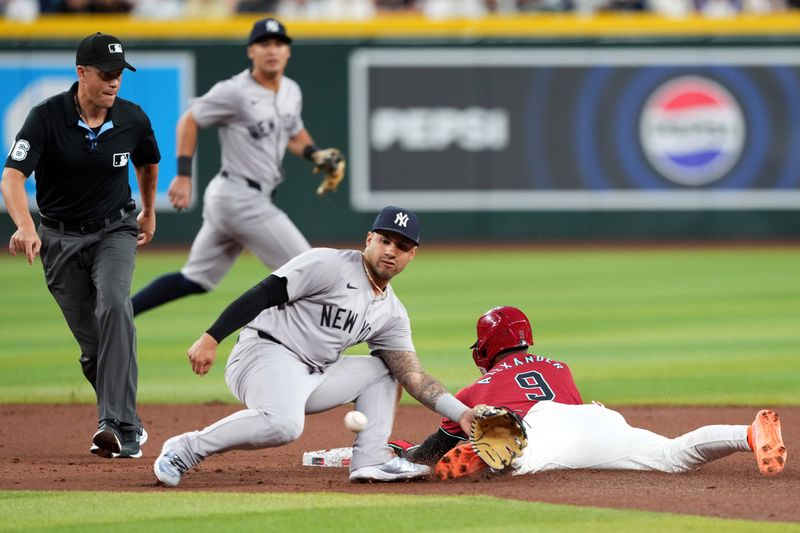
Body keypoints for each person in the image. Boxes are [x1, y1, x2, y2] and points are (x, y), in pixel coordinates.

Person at [152, 205, 477, 487]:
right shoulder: (329, 264)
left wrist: (462, 414)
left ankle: (371, 459)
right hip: (263, 353)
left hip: (314, 373)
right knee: (284, 425)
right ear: (369, 240)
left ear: (411, 255)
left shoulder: (391, 313)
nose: (391, 250)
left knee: (386, 370)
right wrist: (212, 337)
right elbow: (265, 292)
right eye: (385, 240)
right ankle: (184, 449)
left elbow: (413, 376)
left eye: (402, 245)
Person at [392, 306, 788, 480]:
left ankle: (494, 454)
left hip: (542, 427)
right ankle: (748, 434)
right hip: (596, 418)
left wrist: (408, 453)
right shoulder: (558, 366)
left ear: (486, 346)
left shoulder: (476, 388)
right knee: (671, 456)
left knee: (521, 462)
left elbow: (434, 451)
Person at [1, 32, 160, 458]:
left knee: (114, 304)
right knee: (94, 350)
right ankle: (131, 426)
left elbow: (148, 160)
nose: (114, 82)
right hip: (58, 237)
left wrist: (148, 209)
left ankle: (111, 424)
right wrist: (25, 226)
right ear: (82, 73)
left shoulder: (132, 118)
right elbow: (12, 176)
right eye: (106, 74)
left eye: (120, 74)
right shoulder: (45, 117)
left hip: (115, 230)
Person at [132, 17, 344, 316]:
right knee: (311, 270)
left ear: (288, 52)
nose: (272, 50)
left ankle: (118, 315)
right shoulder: (234, 91)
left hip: (235, 198)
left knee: (195, 279)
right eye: (264, 44)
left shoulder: (290, 91)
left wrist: (315, 155)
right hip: (240, 197)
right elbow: (189, 121)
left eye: (279, 44)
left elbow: (293, 133)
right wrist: (182, 174)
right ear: (251, 51)